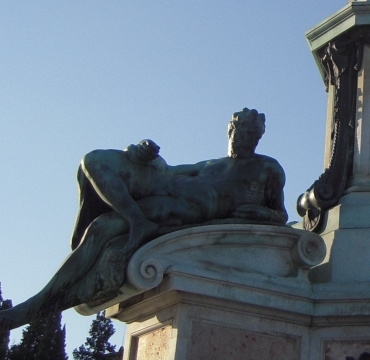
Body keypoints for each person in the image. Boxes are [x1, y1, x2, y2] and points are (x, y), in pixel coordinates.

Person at [0, 109, 288, 331]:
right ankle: (35, 305)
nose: (244, 139)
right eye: (240, 132)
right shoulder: (211, 164)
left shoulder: (268, 168)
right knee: (94, 165)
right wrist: (138, 154)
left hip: (186, 210)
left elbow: (281, 215)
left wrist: (263, 213)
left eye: (251, 135)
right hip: (165, 192)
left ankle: (29, 311)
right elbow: (170, 172)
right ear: (230, 131)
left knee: (103, 229)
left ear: (258, 138)